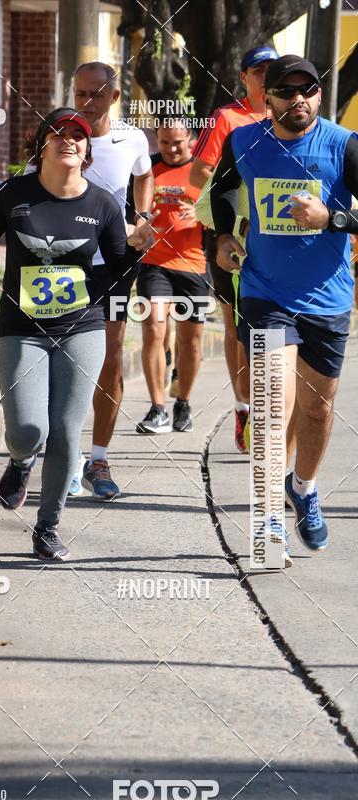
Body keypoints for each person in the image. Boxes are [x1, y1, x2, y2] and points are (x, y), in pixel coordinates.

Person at [0, 108, 155, 561]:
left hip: (82, 326)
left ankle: (47, 527)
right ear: (42, 145)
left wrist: (135, 248)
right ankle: (19, 461)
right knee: (28, 430)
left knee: (67, 432)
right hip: (21, 328)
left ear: (87, 150)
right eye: (60, 133)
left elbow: (115, 272)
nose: (70, 140)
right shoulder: (18, 192)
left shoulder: (103, 205)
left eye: (79, 135)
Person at [211, 55, 358, 562]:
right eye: (286, 89)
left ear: (319, 94)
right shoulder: (244, 141)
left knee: (317, 409)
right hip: (265, 294)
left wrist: (332, 217)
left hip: (328, 299)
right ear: (266, 98)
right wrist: (225, 235)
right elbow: (223, 192)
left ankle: (305, 487)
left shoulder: (344, 146)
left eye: (308, 89)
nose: (298, 97)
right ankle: (268, 520)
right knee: (274, 406)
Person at [69, 61, 154, 500]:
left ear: (114, 98)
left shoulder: (132, 139)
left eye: (96, 95)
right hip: (61, 263)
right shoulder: (58, 134)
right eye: (80, 93)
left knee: (111, 357)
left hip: (116, 262)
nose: (86, 102)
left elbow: (144, 173)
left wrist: (141, 217)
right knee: (58, 358)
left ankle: (98, 457)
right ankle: (61, 455)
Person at [190, 45, 279, 452]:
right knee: (238, 329)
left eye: (272, 70)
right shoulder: (228, 118)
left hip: (279, 238)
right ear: (244, 77)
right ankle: (244, 407)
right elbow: (200, 171)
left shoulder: (292, 117)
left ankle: (271, 411)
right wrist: (232, 211)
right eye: (258, 70)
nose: (266, 76)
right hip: (234, 236)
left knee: (275, 328)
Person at [135, 120, 209, 434]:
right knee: (154, 326)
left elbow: (227, 213)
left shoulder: (204, 172)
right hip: (155, 263)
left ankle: (183, 402)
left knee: (190, 343)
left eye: (177, 142)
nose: (171, 149)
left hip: (194, 266)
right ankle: (157, 408)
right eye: (164, 142)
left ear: (191, 139)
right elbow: (132, 211)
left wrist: (203, 213)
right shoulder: (147, 172)